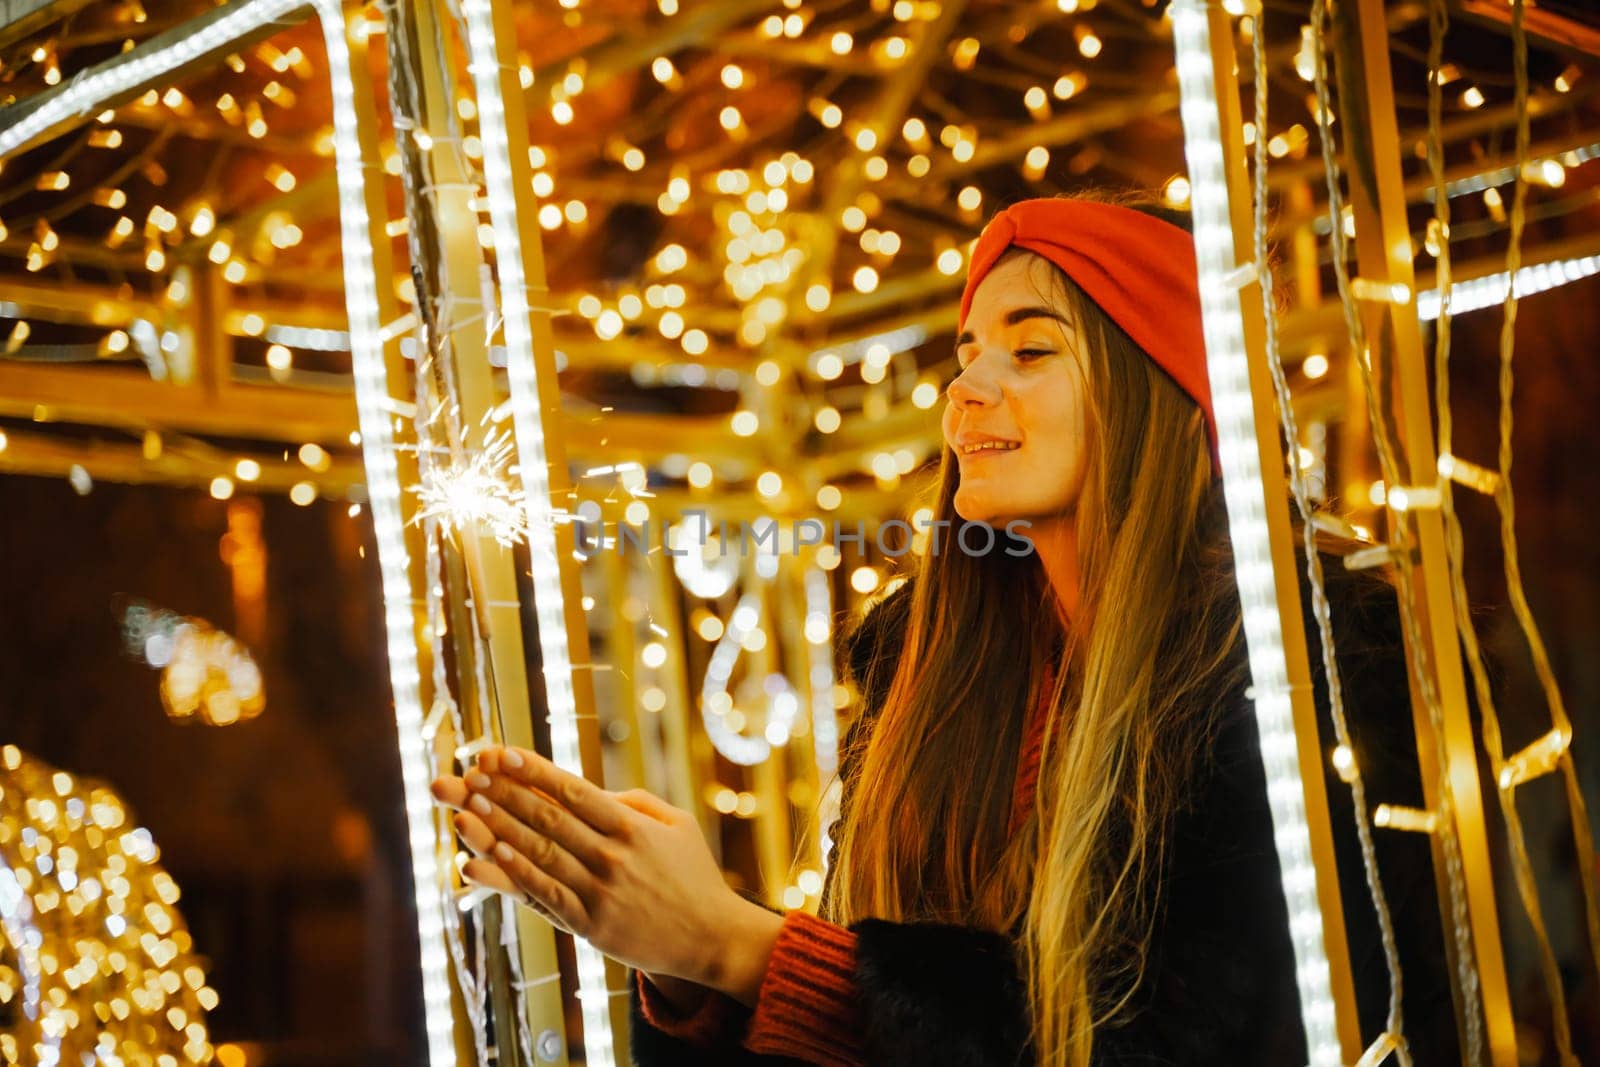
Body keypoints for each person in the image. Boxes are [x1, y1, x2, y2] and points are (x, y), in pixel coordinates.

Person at [431, 194, 1462, 1065]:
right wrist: (670, 946)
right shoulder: (929, 674)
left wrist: (738, 944)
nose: (967, 385)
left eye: (1029, 349)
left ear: (1161, 386)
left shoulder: (1306, 658)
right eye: (967, 350)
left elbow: (1190, 1037)